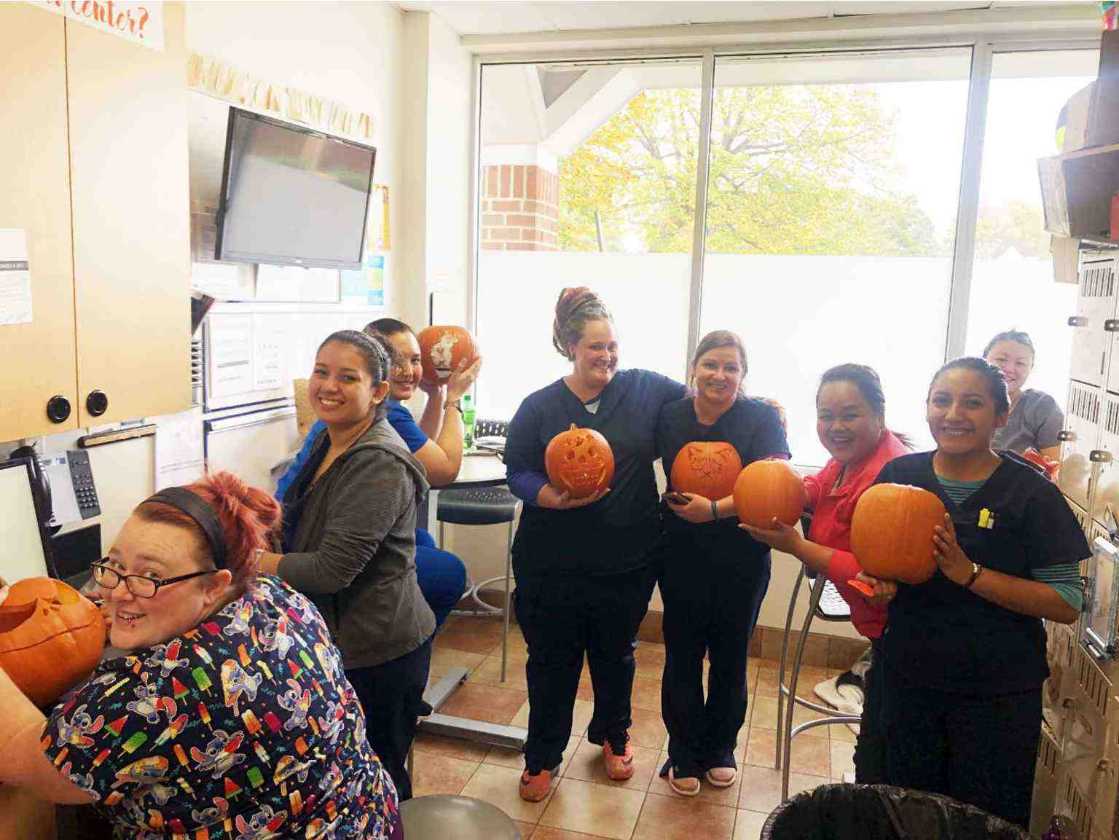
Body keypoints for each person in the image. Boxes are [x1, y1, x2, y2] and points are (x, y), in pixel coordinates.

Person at [0, 471, 401, 839]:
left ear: (213, 585)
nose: (117, 590)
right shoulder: (278, 598)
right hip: (368, 819)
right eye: (115, 565)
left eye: (151, 577)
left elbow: (31, 764)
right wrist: (131, 601)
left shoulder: (152, 697)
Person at [873, 356, 1088, 827]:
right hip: (910, 678)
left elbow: (1067, 603)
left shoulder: (1030, 494)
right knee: (908, 815)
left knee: (984, 820)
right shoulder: (898, 477)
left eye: (972, 403)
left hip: (997, 694)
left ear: (1002, 415)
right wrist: (880, 583)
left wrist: (968, 573)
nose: (953, 414)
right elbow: (883, 565)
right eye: (941, 400)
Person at [505, 287, 686, 801]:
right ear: (569, 347)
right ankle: (541, 755)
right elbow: (515, 467)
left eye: (611, 346)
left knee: (616, 656)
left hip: (627, 558)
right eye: (594, 347)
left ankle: (613, 735)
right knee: (551, 662)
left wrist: (759, 407)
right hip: (550, 561)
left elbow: (704, 403)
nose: (605, 356)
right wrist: (544, 494)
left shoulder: (646, 389)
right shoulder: (539, 406)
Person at [257, 329, 435, 801]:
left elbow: (330, 570)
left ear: (378, 391)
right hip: (335, 640)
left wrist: (253, 562)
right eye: (321, 372)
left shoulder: (378, 460)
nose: (328, 386)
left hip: (378, 650)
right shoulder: (327, 438)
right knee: (340, 778)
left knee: (377, 780)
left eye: (347, 377)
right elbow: (297, 513)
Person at [744, 363, 909, 784]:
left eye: (849, 415)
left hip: (905, 628)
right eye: (825, 415)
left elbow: (874, 574)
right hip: (879, 627)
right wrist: (768, 479)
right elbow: (816, 488)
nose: (835, 426)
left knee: (887, 751)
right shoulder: (845, 461)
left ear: (879, 415)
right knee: (879, 738)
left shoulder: (888, 477)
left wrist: (796, 546)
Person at [277, 317, 481, 627]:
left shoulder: (383, 415)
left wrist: (436, 394)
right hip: (304, 545)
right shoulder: (386, 417)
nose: (405, 370)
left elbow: (421, 458)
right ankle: (415, 631)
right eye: (393, 359)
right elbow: (443, 470)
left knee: (422, 540)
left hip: (306, 535)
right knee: (449, 571)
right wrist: (453, 399)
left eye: (415, 360)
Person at [655, 330, 788, 795]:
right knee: (683, 655)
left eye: (731, 367)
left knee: (730, 655)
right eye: (711, 364)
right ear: (694, 368)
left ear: (743, 375)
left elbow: (775, 481)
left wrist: (713, 509)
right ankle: (683, 751)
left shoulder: (761, 418)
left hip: (742, 553)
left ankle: (720, 747)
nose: (720, 375)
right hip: (680, 552)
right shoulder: (670, 415)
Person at [983, 329, 1063, 459]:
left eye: (1020, 363)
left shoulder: (1041, 406)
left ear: (1030, 368)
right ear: (983, 360)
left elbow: (1056, 470)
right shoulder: (961, 401)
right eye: (1001, 359)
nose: (1009, 369)